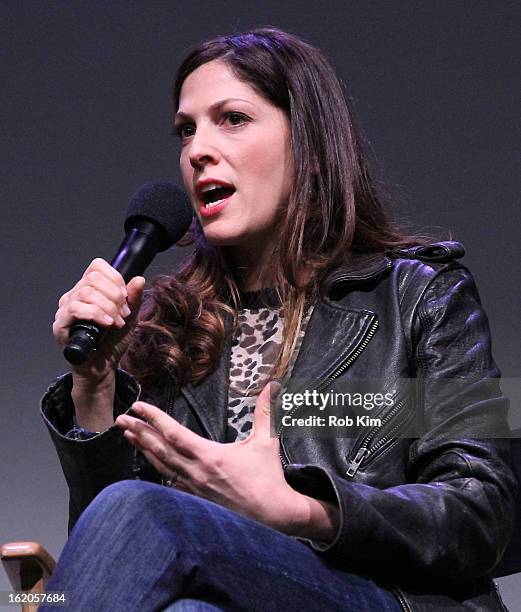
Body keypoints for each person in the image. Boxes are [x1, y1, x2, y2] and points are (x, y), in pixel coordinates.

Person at [40, 27, 516, 611]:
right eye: (187, 129)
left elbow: (480, 513)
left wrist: (302, 510)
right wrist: (95, 385)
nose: (197, 150)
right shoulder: (171, 328)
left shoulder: (418, 298)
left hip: (380, 596)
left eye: (232, 119)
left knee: (144, 511)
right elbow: (110, 554)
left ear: (307, 145)